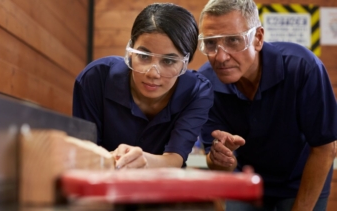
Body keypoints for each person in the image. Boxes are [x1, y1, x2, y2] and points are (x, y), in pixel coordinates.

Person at [197, 0, 337, 210]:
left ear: (258, 38)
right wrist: (221, 158)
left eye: (234, 40)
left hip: (300, 181)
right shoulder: (205, 84)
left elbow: (325, 148)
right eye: (210, 43)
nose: (221, 56)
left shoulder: (302, 68)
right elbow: (217, 163)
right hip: (245, 179)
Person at [73, 3, 213, 170]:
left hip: (161, 190)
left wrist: (143, 160)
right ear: (131, 51)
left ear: (185, 63)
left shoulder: (197, 91)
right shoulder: (95, 79)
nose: (153, 73)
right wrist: (112, 158)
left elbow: (175, 158)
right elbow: (82, 153)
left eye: (168, 61)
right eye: (144, 56)